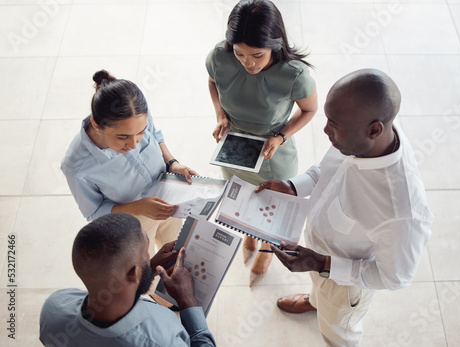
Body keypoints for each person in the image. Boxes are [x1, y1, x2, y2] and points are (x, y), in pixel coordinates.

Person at [255, 69, 434, 346]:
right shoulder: (355, 136)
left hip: (345, 284)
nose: (325, 130)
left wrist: (322, 264)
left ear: (374, 129)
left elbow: (395, 277)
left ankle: (328, 314)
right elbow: (324, 172)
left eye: (333, 125)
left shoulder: (401, 211)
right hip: (317, 257)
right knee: (320, 291)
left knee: (338, 332)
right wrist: (293, 187)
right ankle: (315, 301)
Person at [206, 0, 318, 285]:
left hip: (273, 152)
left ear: (275, 44)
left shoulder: (294, 74)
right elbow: (212, 82)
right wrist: (221, 115)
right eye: (240, 54)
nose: (248, 63)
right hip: (234, 147)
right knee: (241, 197)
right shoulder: (220, 56)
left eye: (257, 54)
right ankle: (248, 233)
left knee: (271, 204)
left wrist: (281, 137)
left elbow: (310, 110)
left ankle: (267, 246)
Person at [61, 70, 198, 256]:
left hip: (167, 196)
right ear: (96, 125)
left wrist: (172, 163)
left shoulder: (136, 113)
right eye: (123, 137)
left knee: (177, 254)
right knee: (146, 274)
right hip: (134, 222)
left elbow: (155, 135)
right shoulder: (76, 167)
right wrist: (139, 207)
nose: (134, 145)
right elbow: (94, 213)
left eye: (140, 133)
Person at [39, 213, 216, 346]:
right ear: (133, 273)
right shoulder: (161, 340)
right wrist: (187, 301)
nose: (150, 256)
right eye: (147, 252)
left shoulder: (54, 307)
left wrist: (149, 268)